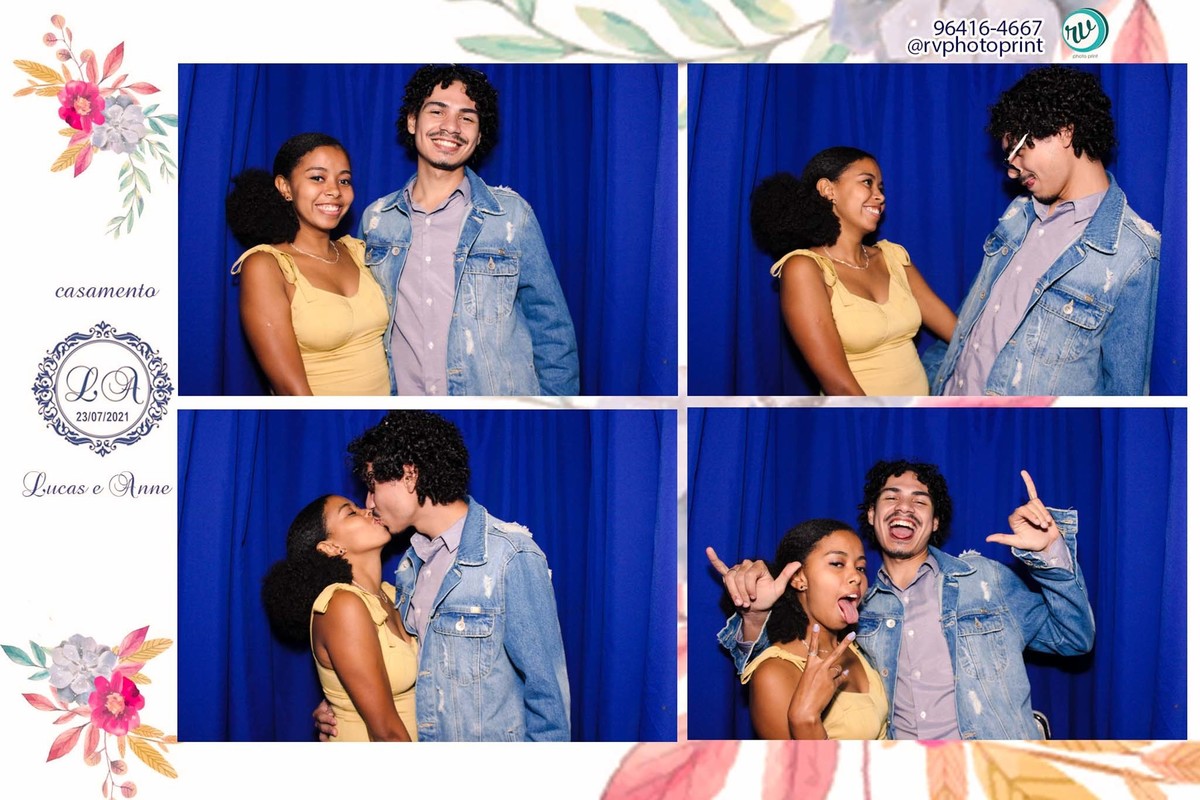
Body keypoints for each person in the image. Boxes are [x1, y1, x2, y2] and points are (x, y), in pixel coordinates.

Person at [709, 461, 1095, 739]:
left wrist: (1051, 556)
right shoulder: (856, 610)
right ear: (872, 515)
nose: (905, 507)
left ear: (936, 522)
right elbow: (782, 663)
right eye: (891, 497)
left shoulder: (985, 580)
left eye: (920, 501)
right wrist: (754, 614)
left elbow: (1075, 638)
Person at [314, 410, 571, 740]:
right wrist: (344, 700)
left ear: (409, 476)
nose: (369, 502)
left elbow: (548, 700)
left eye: (373, 485)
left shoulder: (510, 556)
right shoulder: (410, 567)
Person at [929, 66, 1161, 395]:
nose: (1012, 172)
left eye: (1018, 152)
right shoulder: (1018, 213)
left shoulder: (1133, 252)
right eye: (1008, 160)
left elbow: (1125, 392)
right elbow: (972, 322)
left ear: (1064, 131)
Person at [359, 65, 579, 396]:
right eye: (437, 111)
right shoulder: (376, 220)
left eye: (467, 118)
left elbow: (552, 329)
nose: (451, 127)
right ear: (412, 121)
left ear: (478, 135)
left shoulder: (510, 216)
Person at [750, 147, 957, 395]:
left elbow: (960, 335)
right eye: (867, 182)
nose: (879, 196)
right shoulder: (804, 269)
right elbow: (839, 386)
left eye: (880, 188)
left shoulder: (893, 257)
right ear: (828, 190)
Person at [227, 133, 389, 396]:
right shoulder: (267, 266)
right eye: (317, 178)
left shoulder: (358, 251)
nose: (335, 191)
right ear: (285, 187)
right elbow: (291, 391)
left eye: (344, 180)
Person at [262, 494, 416, 741]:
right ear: (330, 548)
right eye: (351, 512)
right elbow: (386, 733)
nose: (368, 510)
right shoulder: (341, 605)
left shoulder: (392, 595)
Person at [739, 518, 886, 740]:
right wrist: (806, 720)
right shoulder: (773, 674)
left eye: (860, 568)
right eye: (837, 563)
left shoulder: (859, 647)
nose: (857, 576)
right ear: (799, 578)